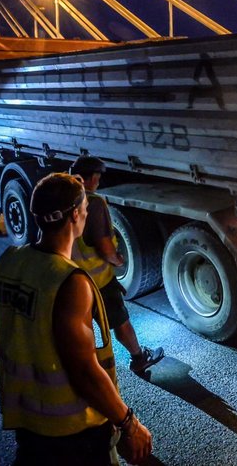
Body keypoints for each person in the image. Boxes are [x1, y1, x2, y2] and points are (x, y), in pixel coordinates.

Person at [0, 173, 152, 465]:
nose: (88, 213)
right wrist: (129, 423)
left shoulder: (8, 262)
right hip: (72, 432)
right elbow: (85, 372)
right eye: (85, 209)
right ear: (76, 215)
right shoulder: (70, 282)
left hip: (27, 422)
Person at [70, 155, 165, 376]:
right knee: (120, 321)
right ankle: (139, 358)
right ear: (92, 178)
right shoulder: (93, 203)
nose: (99, 182)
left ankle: (84, 366)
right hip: (97, 281)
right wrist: (117, 260)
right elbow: (104, 245)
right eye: (98, 177)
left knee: (81, 326)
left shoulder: (62, 199)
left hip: (70, 279)